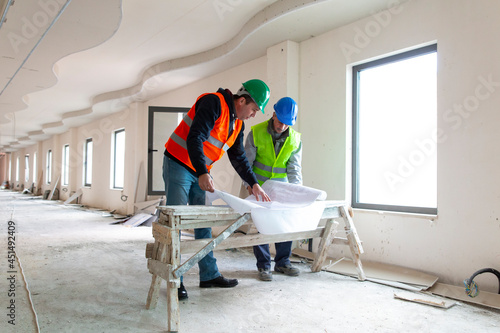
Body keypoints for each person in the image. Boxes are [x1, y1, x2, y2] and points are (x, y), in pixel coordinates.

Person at [163, 79, 272, 300]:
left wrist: (254, 184)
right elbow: (196, 137)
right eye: (253, 109)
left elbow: (239, 157)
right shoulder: (214, 103)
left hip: (199, 170)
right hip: (179, 163)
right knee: (177, 221)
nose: (253, 115)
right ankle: (175, 280)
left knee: (203, 221)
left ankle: (209, 275)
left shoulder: (238, 124)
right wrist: (203, 172)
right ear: (242, 101)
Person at [244, 97, 302, 281]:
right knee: (261, 226)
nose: (282, 127)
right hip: (258, 188)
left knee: (283, 225)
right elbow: (246, 163)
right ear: (274, 114)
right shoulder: (256, 132)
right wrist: (249, 185)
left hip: (282, 189)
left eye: (287, 124)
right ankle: (263, 266)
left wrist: (297, 192)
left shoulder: (295, 139)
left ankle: (283, 262)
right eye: (280, 121)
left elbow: (294, 169)